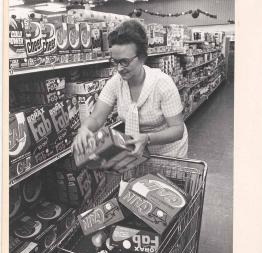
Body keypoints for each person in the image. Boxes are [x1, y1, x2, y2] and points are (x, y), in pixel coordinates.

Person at [72, 19, 188, 164]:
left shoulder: (162, 83)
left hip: (168, 155)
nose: (119, 68)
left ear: (142, 58)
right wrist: (84, 129)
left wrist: (147, 138)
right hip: (135, 155)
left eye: (125, 62)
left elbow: (178, 129)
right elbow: (96, 118)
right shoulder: (116, 83)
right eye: (115, 61)